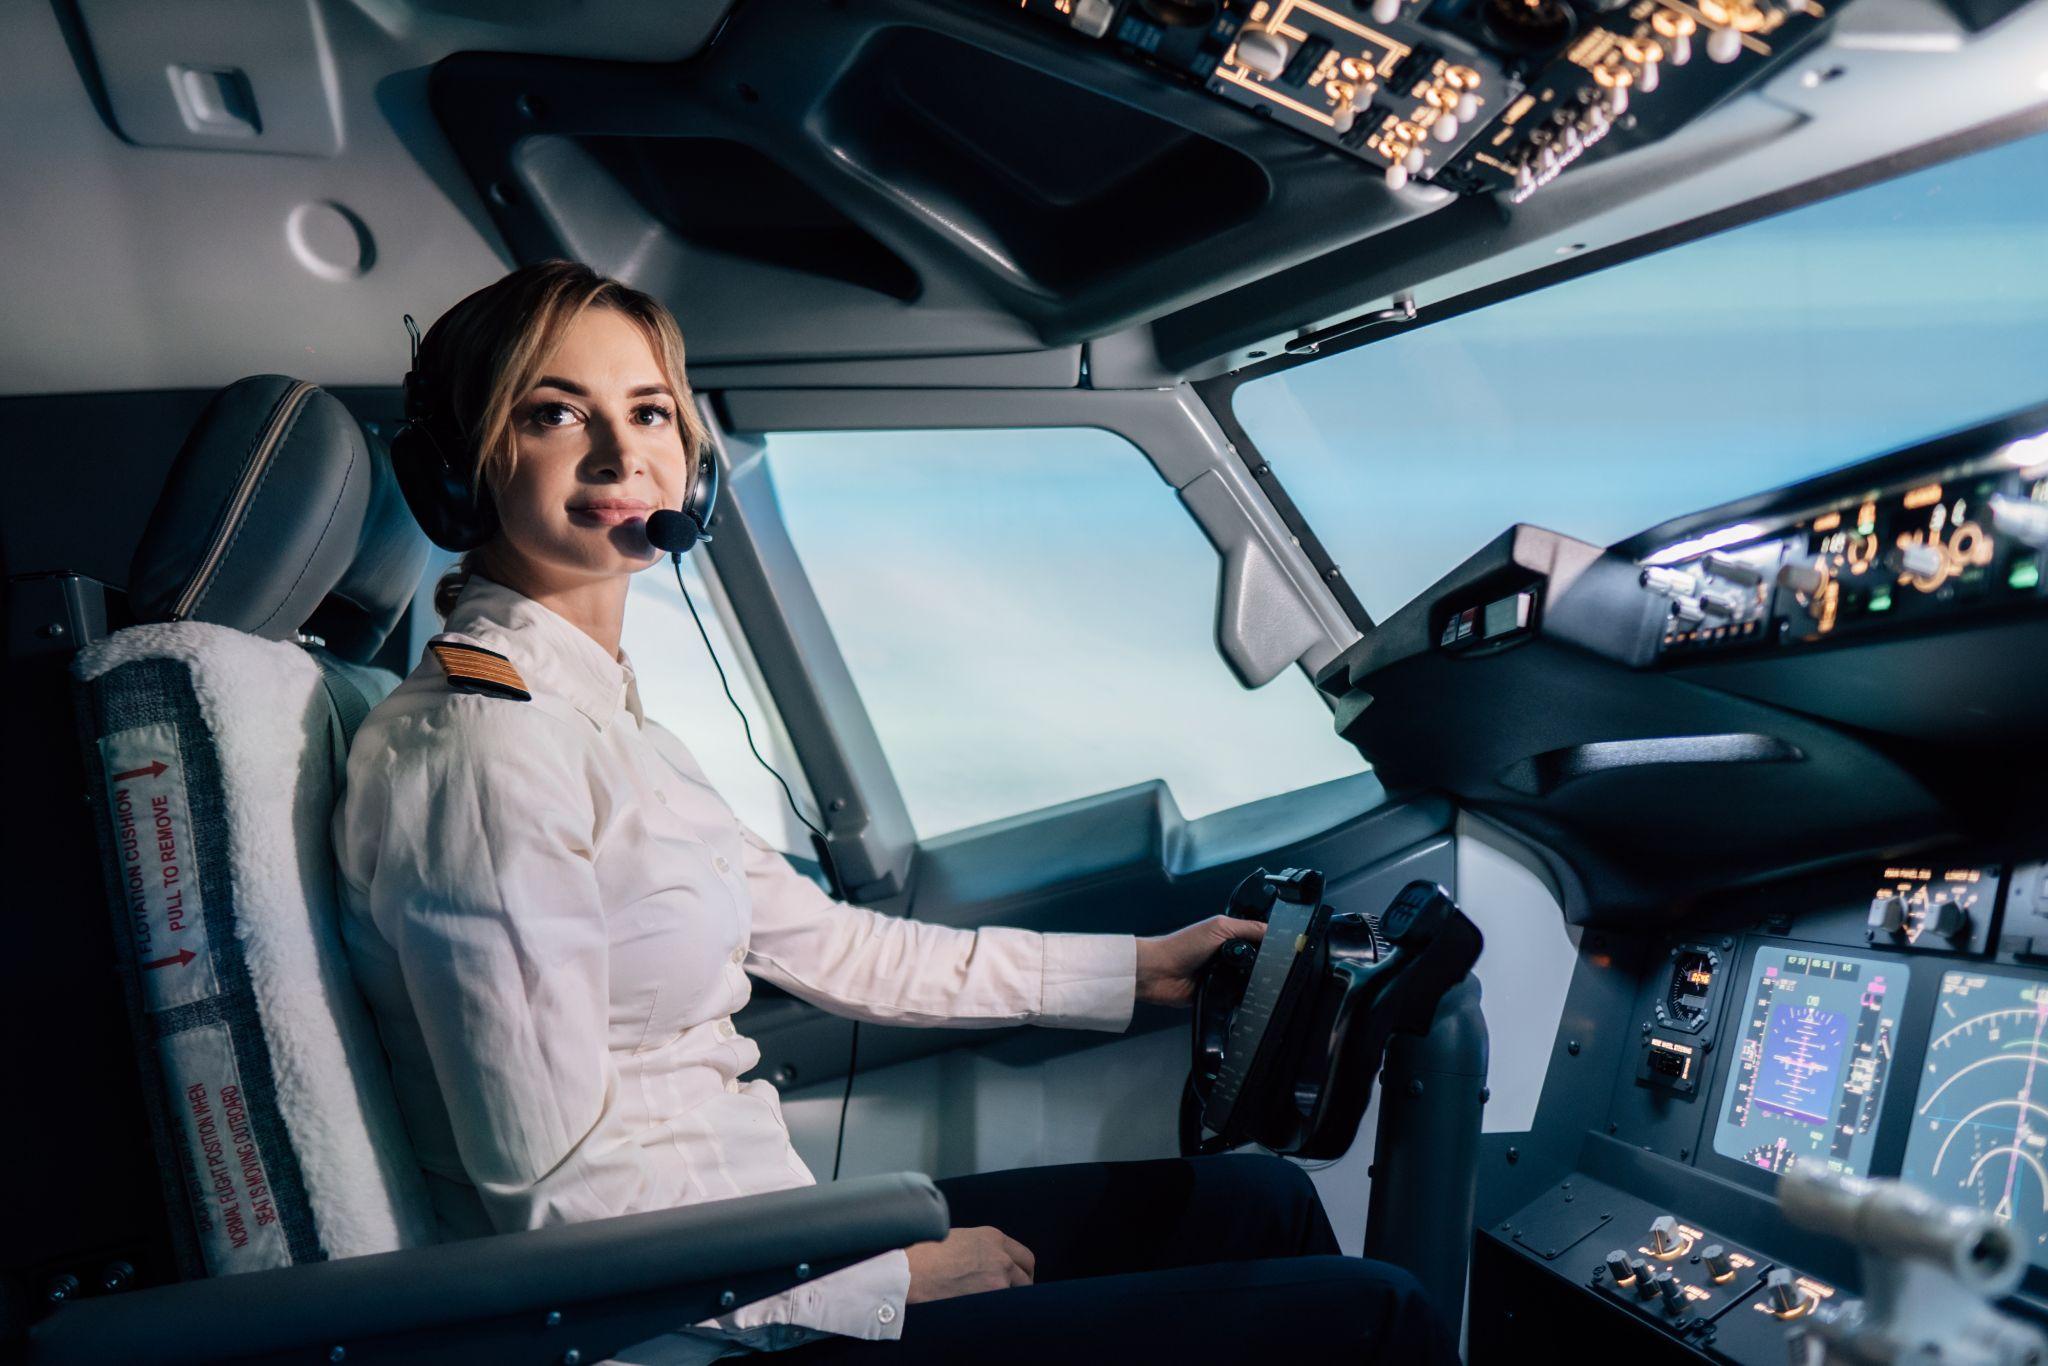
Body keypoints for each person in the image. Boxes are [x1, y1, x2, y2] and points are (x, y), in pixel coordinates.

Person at [332, 260, 1460, 1365]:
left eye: (652, 414)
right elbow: (556, 1196)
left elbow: (836, 946)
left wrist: (1145, 969)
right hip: (679, 1320)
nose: (625, 455)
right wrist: (880, 1279)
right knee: (1373, 1314)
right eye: (555, 413)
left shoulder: (604, 726)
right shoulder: (481, 753)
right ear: (458, 472)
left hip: (748, 1245)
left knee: (1256, 1200)